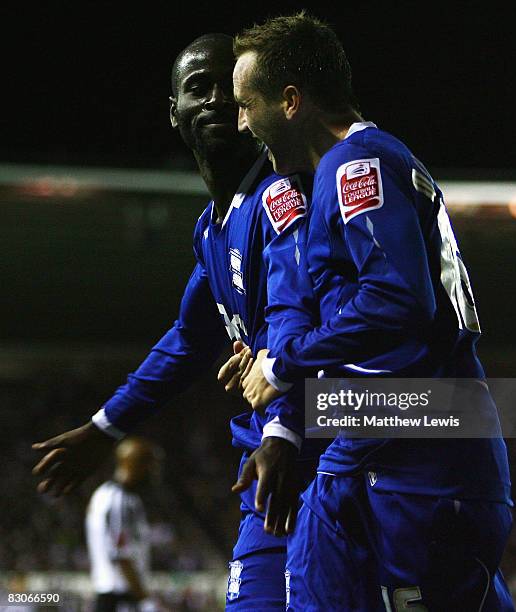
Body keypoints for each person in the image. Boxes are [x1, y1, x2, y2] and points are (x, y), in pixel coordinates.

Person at [232, 13, 515, 611]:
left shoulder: (356, 164)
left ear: (290, 101)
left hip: (420, 452)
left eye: (245, 104)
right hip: (392, 439)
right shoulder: (362, 162)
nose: (241, 123)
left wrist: (283, 364)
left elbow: (396, 300)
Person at [32, 33, 319, 610]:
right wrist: (105, 428)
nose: (213, 99)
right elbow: (189, 339)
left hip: (321, 459)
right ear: (175, 114)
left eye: (225, 88)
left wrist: (283, 428)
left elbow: (298, 315)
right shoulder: (212, 228)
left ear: (247, 107)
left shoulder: (281, 198)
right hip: (268, 474)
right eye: (197, 88)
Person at [86, 437, 161, 612]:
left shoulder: (106, 494)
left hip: (112, 594)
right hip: (118, 597)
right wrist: (146, 600)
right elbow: (120, 556)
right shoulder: (119, 500)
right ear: (134, 464)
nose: (153, 471)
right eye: (149, 464)